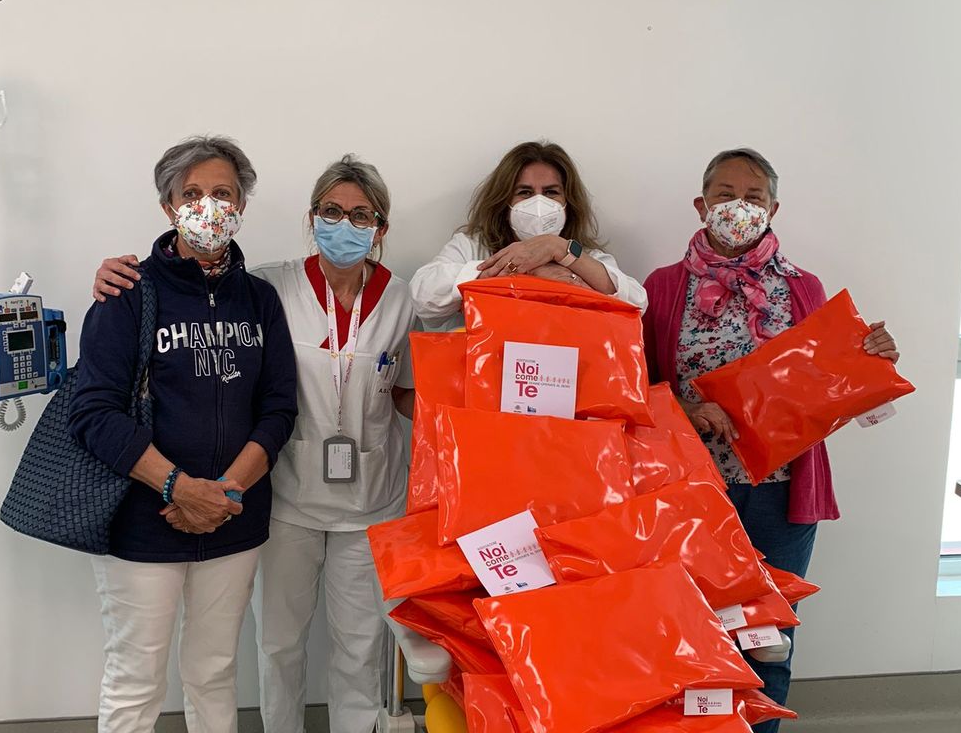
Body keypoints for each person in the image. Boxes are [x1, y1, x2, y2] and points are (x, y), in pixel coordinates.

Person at [92, 154, 418, 733]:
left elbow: (403, 394)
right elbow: (99, 407)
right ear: (311, 218)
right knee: (277, 645)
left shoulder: (399, 300)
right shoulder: (269, 287)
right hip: (285, 496)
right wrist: (108, 276)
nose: (344, 224)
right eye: (331, 211)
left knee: (358, 646)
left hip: (367, 498)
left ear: (380, 227)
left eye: (360, 215)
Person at [640, 147, 899, 733]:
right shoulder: (662, 286)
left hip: (781, 492)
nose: (739, 207)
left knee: (768, 639)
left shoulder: (803, 288)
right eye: (725, 195)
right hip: (690, 490)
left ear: (773, 209)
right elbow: (637, 385)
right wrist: (685, 408)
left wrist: (871, 359)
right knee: (688, 630)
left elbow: (829, 382)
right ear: (701, 205)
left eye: (753, 197)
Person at [69, 136, 298, 733]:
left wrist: (222, 494)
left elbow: (278, 410)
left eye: (222, 193)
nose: (208, 206)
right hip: (143, 522)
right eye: (191, 194)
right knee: (135, 679)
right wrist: (179, 488)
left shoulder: (260, 300)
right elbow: (93, 412)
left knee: (214, 671)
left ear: (241, 204)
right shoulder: (127, 293)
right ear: (169, 207)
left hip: (234, 518)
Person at [409, 140, 647, 330]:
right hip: (484, 371)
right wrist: (525, 271)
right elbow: (423, 296)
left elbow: (636, 305)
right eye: (525, 192)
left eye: (551, 192)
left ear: (568, 202)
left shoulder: (587, 256)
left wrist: (557, 248)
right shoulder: (472, 247)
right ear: (504, 202)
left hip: (566, 371)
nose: (539, 203)